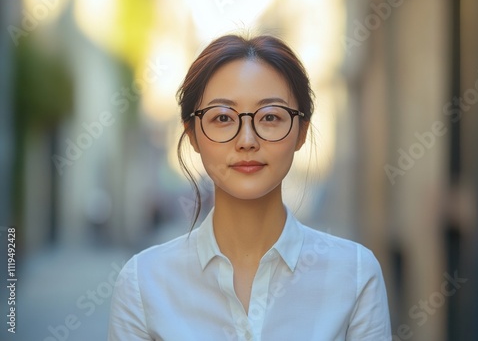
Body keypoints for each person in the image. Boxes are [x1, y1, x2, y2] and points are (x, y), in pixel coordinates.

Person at [108, 34, 391, 341]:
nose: (247, 140)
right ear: (192, 134)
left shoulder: (356, 275)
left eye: (270, 116)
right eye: (222, 118)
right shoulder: (143, 282)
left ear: (301, 132)